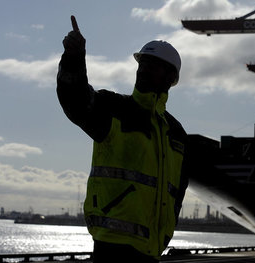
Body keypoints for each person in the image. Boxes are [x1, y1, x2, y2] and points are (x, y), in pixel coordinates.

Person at [57, 16, 188, 263]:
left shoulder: (176, 134)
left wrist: (165, 235)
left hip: (152, 251)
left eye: (153, 65)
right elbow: (74, 99)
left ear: (171, 78)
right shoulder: (113, 108)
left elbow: (177, 193)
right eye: (143, 63)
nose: (144, 69)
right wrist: (73, 58)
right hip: (111, 248)